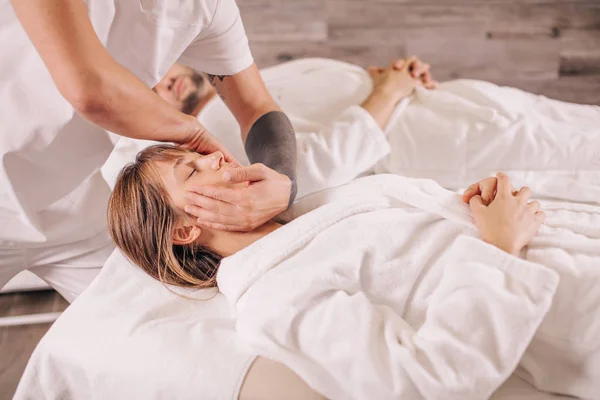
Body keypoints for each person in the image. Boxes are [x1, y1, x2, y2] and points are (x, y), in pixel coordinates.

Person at [105, 142, 600, 399]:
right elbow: (426, 382)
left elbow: (412, 245)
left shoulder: (315, 209)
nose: (215, 154)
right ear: (184, 232)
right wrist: (498, 246)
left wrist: (465, 207)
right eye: (192, 170)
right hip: (581, 310)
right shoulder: (274, 299)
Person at [0, 0, 300, 303]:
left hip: (76, 208)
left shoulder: (209, 9)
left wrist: (283, 182)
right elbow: (88, 89)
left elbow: (257, 108)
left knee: (170, 320)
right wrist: (191, 130)